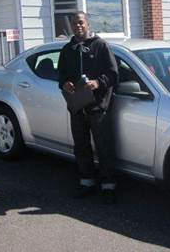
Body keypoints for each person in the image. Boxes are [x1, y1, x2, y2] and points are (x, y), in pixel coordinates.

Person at [57, 12, 119, 204]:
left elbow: (113, 74)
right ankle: (87, 182)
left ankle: (108, 186)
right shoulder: (68, 50)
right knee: (81, 146)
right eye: (75, 23)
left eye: (81, 22)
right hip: (77, 107)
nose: (78, 26)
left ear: (87, 24)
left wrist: (97, 83)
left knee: (104, 146)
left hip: (98, 107)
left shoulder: (100, 46)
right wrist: (65, 83)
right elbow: (61, 76)